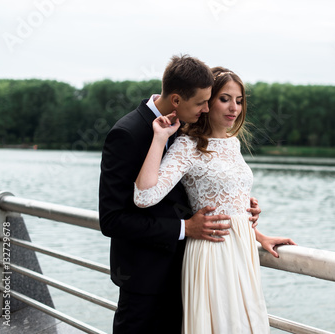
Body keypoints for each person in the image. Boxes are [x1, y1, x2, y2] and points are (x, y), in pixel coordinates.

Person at [99, 55, 263, 333]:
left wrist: (241, 210)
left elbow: (200, 185)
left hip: (194, 263)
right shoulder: (128, 133)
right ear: (177, 99)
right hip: (145, 276)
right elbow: (113, 219)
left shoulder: (190, 126)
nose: (206, 108)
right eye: (204, 102)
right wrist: (184, 227)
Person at [134, 66, 296, 333]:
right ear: (207, 103)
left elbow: (228, 201)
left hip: (242, 251)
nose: (234, 107)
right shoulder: (187, 145)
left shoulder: (233, 142)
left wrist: (257, 234)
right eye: (225, 99)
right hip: (213, 253)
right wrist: (159, 138)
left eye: (239, 100)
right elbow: (143, 197)